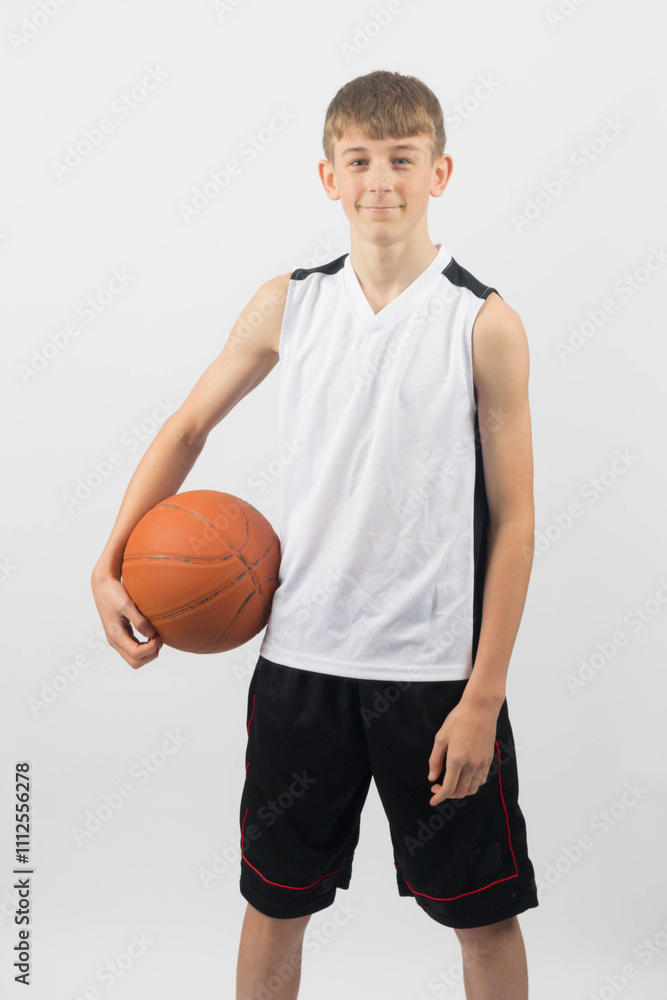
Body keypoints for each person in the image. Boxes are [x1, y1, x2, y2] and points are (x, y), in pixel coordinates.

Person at [91, 70, 539, 1000]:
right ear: (328, 177)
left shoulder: (483, 323)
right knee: (274, 903)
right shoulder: (287, 304)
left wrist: (483, 694)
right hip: (301, 664)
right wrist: (108, 563)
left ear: (439, 172)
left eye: (402, 159)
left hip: (435, 676)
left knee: (483, 917)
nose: (381, 180)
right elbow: (187, 428)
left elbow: (515, 518)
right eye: (359, 160)